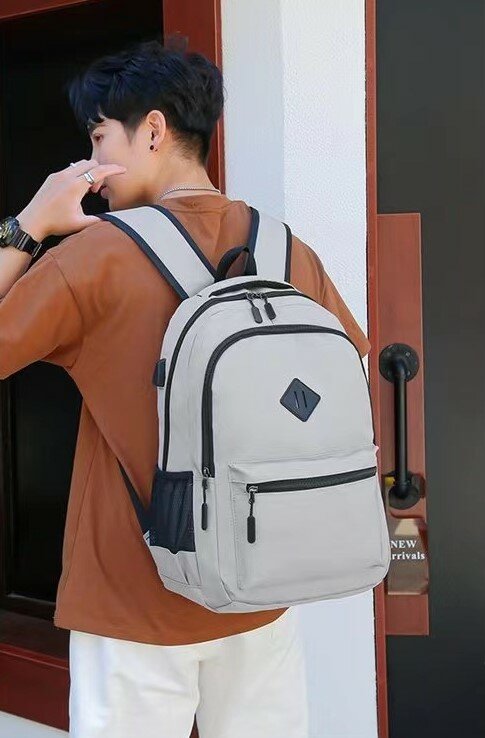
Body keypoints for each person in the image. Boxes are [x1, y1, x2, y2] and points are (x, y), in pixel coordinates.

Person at [0, 38, 371, 738]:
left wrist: (29, 225)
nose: (90, 167)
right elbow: (349, 366)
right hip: (259, 583)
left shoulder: (96, 255)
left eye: (98, 138)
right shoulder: (283, 248)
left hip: (130, 599)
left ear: (153, 131)